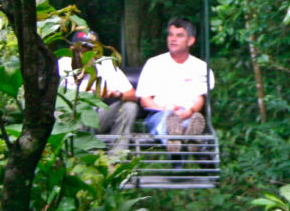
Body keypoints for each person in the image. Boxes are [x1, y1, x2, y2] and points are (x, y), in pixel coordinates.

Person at [136, 18, 214, 154]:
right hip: (159, 113)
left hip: (188, 113)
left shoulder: (201, 67)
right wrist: (164, 110)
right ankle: (184, 138)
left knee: (189, 121)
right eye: (170, 34)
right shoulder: (154, 64)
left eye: (179, 35)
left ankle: (179, 137)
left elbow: (199, 98)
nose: (173, 39)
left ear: (190, 41)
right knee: (165, 120)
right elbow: (145, 99)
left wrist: (188, 112)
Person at [57, 29, 139, 154]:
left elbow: (132, 95)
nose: (88, 55)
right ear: (72, 50)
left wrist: (114, 94)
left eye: (93, 50)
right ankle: (72, 160)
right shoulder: (62, 65)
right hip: (71, 119)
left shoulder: (107, 64)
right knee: (61, 111)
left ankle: (116, 159)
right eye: (83, 51)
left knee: (129, 107)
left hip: (98, 119)